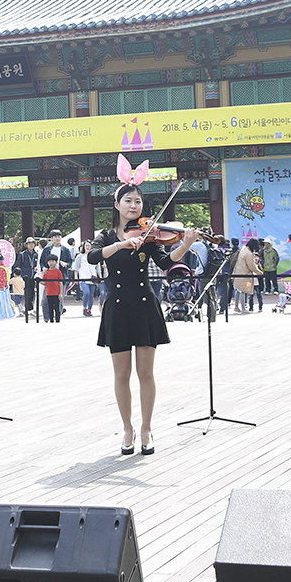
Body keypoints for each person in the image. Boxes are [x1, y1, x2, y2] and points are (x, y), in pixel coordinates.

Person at [86, 160, 197, 456]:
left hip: (145, 305)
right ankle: (128, 428)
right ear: (117, 203)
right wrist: (123, 245)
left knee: (145, 374)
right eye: (128, 200)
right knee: (120, 375)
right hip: (117, 308)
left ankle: (146, 428)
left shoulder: (149, 236)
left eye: (138, 201)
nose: (134, 205)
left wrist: (185, 243)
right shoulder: (107, 236)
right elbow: (94, 257)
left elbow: (167, 261)